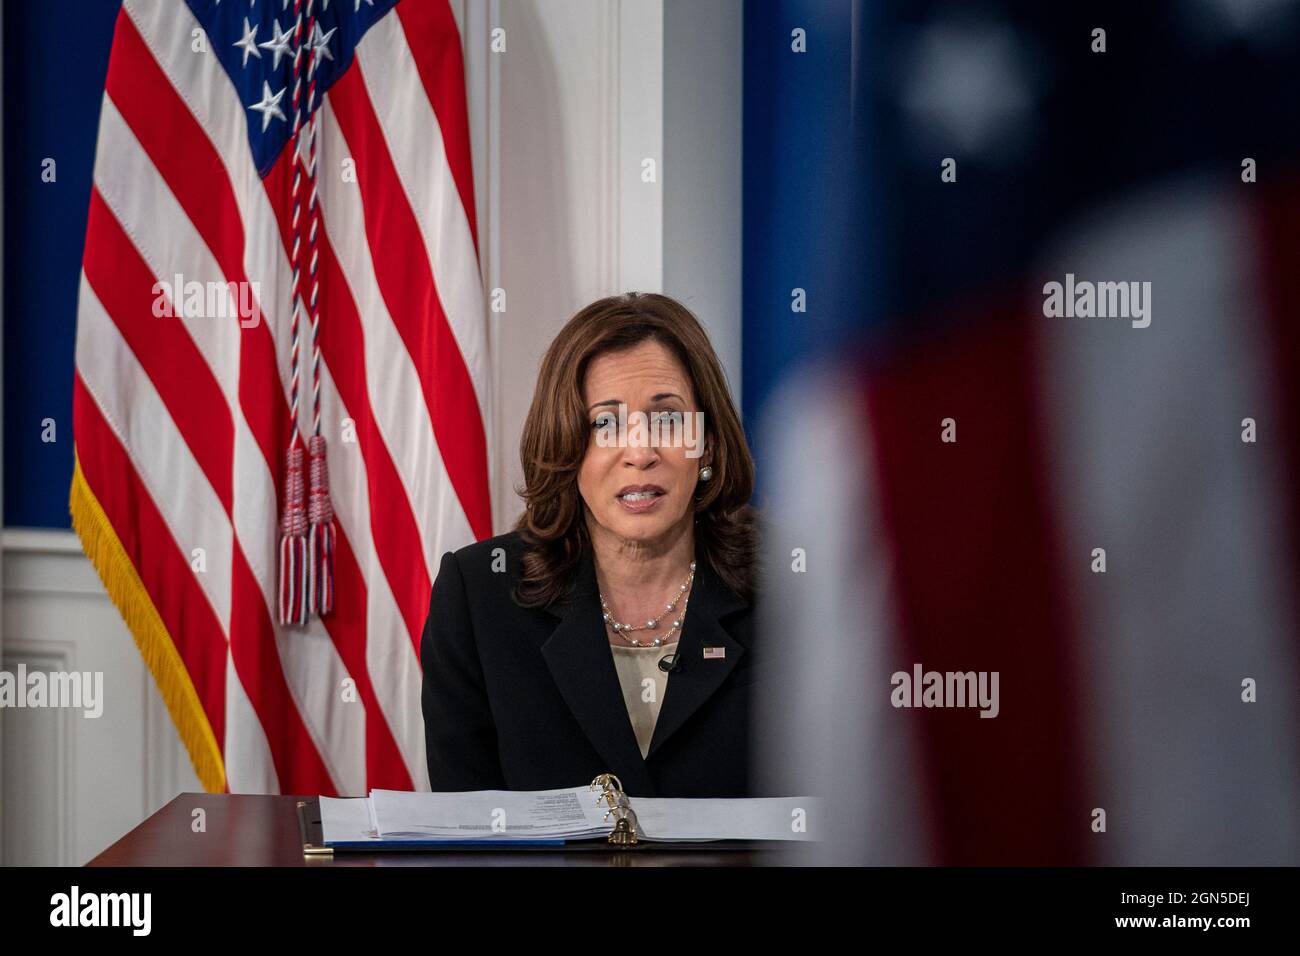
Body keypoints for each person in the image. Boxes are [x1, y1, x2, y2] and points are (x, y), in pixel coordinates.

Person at [421, 292, 763, 796]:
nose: (641, 452)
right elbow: (467, 833)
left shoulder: (800, 591)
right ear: (566, 445)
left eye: (668, 419)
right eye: (606, 423)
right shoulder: (478, 596)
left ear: (707, 442)